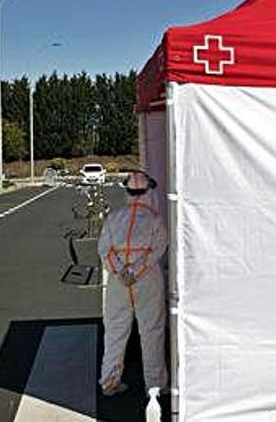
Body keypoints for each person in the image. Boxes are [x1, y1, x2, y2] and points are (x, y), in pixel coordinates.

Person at [99, 170, 168, 397]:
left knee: (115, 330)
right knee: (152, 332)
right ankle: (155, 387)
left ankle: (110, 381)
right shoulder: (155, 219)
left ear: (127, 191)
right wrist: (136, 270)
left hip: (119, 283)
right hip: (147, 280)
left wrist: (121, 272)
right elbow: (159, 247)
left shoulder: (113, 217)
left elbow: (104, 250)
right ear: (148, 191)